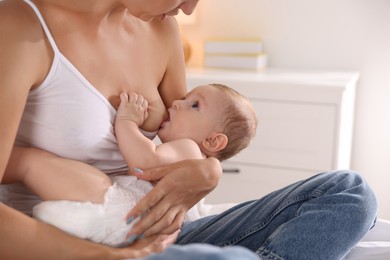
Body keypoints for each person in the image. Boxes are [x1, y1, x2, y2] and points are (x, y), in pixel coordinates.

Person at [0, 0, 377, 259]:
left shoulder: (161, 29)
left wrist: (209, 172)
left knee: (351, 192)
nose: (191, 6)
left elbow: (191, 141)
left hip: (172, 234)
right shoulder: (19, 27)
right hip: (79, 244)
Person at [29, 83, 257, 247]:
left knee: (36, 164)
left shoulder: (189, 149)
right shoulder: (190, 159)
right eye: (186, 98)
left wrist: (127, 121)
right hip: (136, 227)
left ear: (213, 141)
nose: (176, 103)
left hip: (124, 212)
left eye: (194, 105)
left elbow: (144, 164)